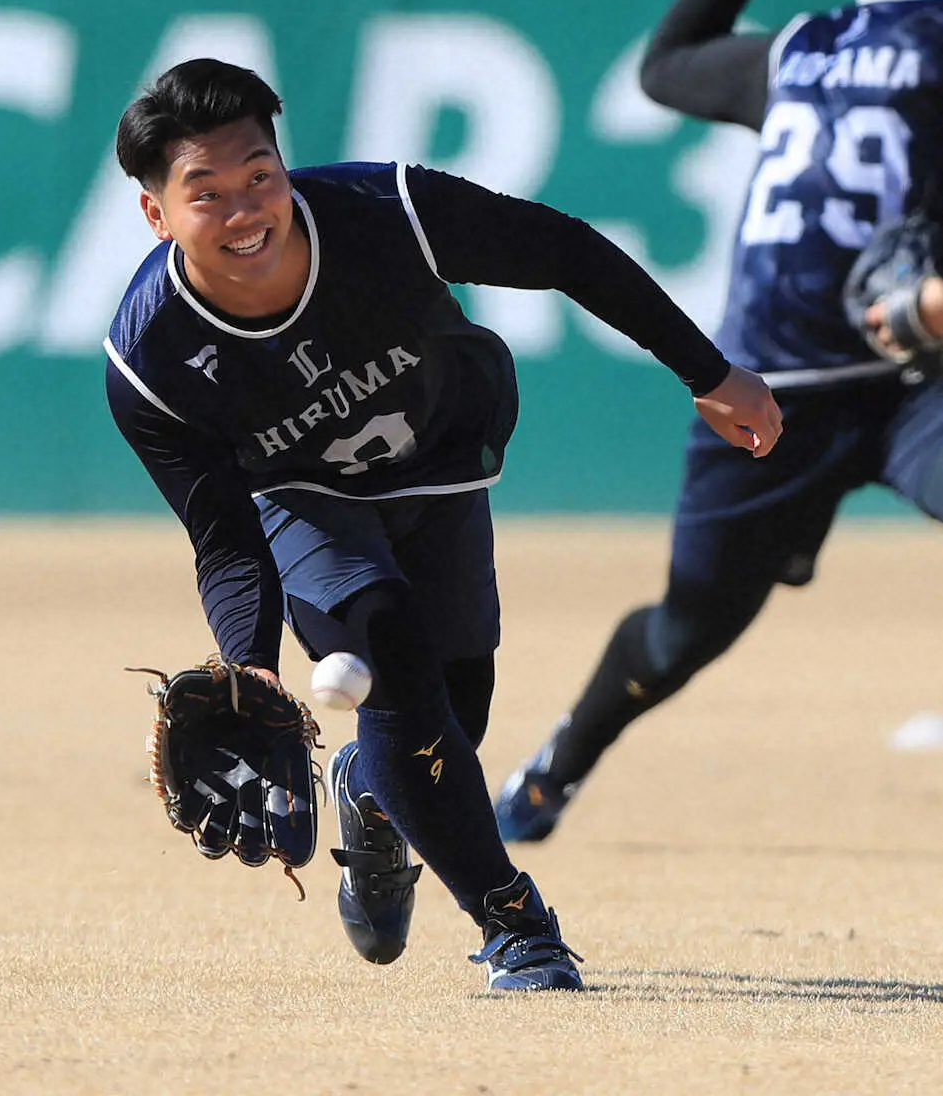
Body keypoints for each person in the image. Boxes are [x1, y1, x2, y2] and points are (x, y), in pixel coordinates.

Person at [104, 57, 782, 991]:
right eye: (205, 194)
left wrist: (707, 372)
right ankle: (517, 926)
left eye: (259, 175)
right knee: (386, 641)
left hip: (440, 463)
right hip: (303, 503)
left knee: (455, 714)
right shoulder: (152, 361)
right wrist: (248, 665)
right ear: (155, 214)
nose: (244, 210)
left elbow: (563, 250)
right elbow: (225, 540)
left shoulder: (386, 214)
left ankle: (375, 796)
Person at [497, 0, 943, 844]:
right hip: (776, 395)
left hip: (918, 385)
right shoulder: (797, 50)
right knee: (682, 632)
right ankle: (557, 767)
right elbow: (666, 66)